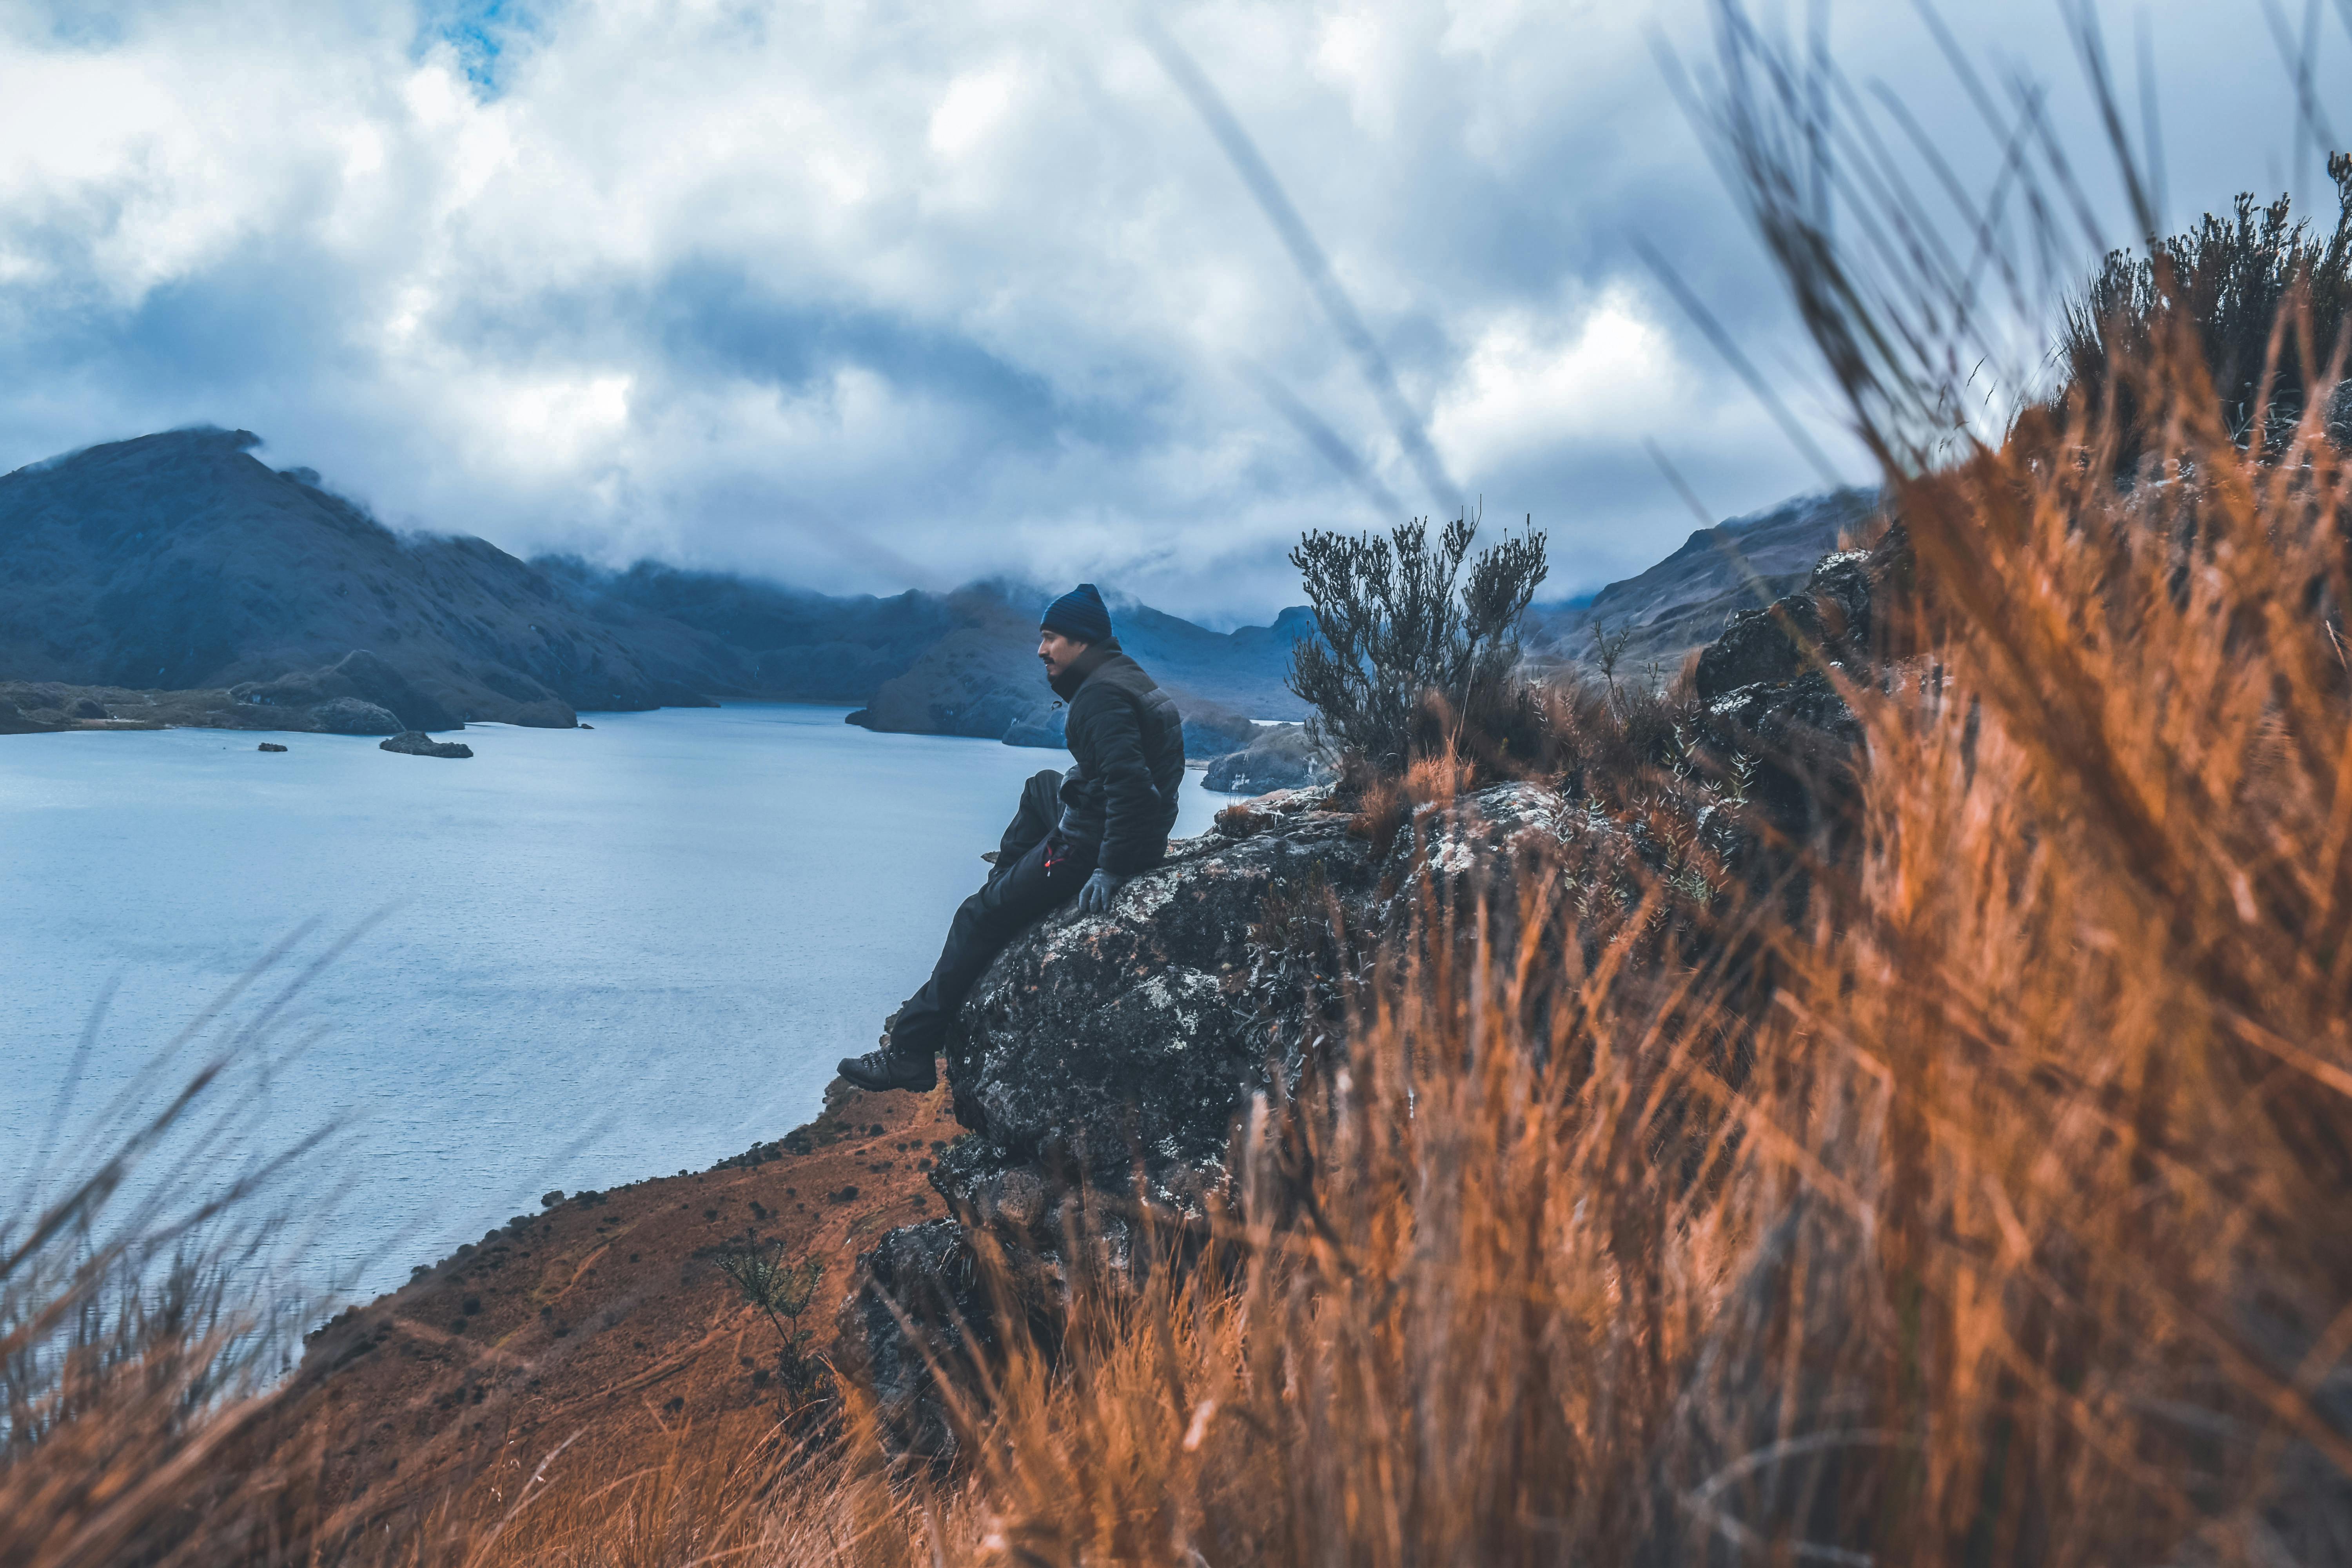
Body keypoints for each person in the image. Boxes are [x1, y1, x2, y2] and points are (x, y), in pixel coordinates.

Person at [836, 583, 1188, 1093]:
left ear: (1082, 642)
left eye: (1051, 638)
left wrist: (1110, 868)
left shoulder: (1101, 696)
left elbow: (1131, 785)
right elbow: (1130, 776)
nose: (1041, 650)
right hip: (1119, 824)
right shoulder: (1123, 676)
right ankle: (1007, 887)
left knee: (974, 917)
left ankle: (909, 1053)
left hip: (1089, 845)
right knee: (1041, 786)